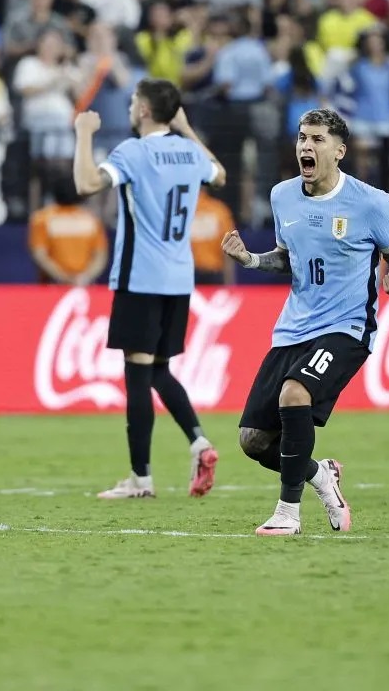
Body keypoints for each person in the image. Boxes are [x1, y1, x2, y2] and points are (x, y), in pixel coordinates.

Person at [221, 108, 389, 536]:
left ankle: (288, 514)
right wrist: (251, 260)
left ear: (340, 151)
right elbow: (289, 258)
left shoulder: (371, 203)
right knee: (253, 439)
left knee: (295, 393)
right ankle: (320, 475)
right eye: (302, 138)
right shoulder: (282, 195)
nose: (306, 146)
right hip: (294, 328)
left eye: (317, 140)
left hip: (347, 328)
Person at [72, 78, 227, 500]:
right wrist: (188, 128)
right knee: (158, 370)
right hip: (179, 280)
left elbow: (86, 184)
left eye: (133, 101)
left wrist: (84, 134)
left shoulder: (133, 152)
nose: (129, 107)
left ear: (143, 110)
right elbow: (220, 174)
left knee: (138, 377)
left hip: (141, 277)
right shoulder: (190, 151)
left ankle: (140, 479)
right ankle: (199, 442)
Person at [28, 176, 109, 286]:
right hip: (84, 285)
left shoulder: (41, 219)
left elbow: (40, 255)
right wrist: (85, 277)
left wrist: (63, 278)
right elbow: (100, 257)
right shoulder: (91, 220)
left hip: (53, 286)